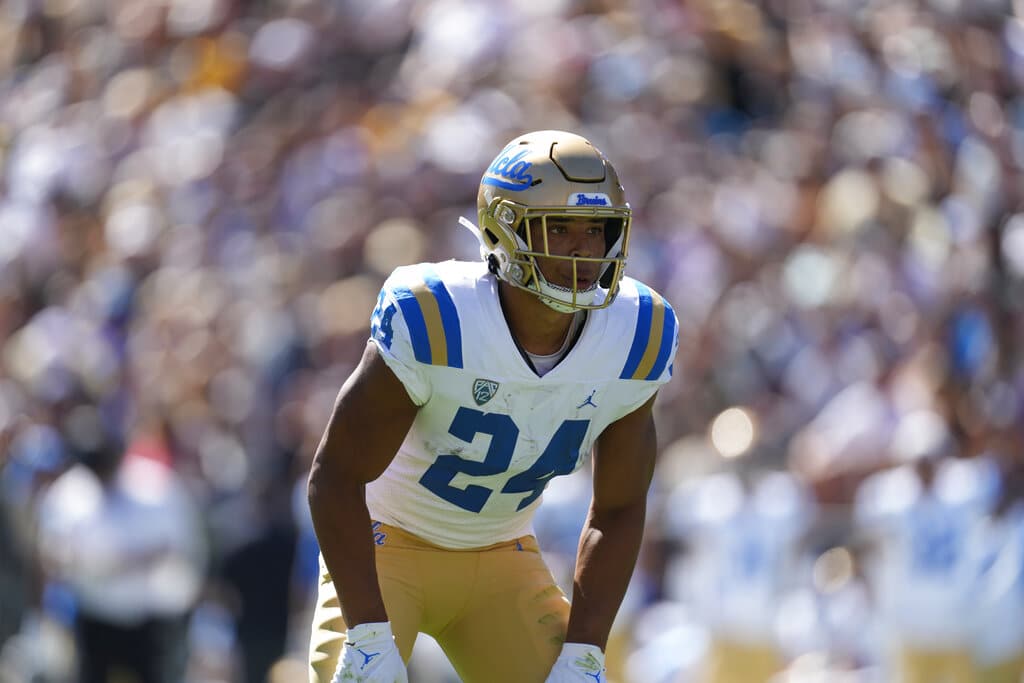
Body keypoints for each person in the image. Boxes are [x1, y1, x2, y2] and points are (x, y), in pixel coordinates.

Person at [306, 130, 678, 683]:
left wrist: (586, 654)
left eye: (596, 230)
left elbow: (619, 507)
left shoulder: (636, 332)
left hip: (502, 553)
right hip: (387, 549)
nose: (582, 249)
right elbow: (333, 475)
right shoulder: (438, 316)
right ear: (506, 229)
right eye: (560, 228)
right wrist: (367, 636)